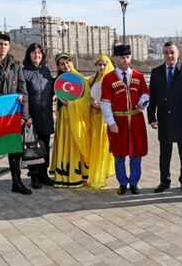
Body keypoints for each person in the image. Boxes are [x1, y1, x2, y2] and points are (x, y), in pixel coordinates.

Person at [0, 32, 32, 195]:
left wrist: (24, 116)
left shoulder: (16, 65)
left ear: (9, 46)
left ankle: (16, 182)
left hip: (13, 115)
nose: (2, 47)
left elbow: (23, 91)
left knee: (14, 149)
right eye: (0, 44)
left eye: (5, 44)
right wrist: (7, 99)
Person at [148, 42, 182, 195]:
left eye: (172, 52)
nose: (169, 55)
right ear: (162, 54)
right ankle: (165, 181)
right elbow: (153, 96)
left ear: (178, 54)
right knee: (164, 155)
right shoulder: (156, 72)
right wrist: (151, 117)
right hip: (164, 120)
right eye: (166, 52)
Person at [101, 45, 149, 195]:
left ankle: (134, 183)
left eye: (127, 57)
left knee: (137, 154)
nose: (125, 60)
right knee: (119, 154)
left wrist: (143, 101)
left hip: (136, 119)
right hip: (118, 121)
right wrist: (111, 122)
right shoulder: (108, 79)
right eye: (122, 57)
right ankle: (122, 182)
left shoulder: (138, 76)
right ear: (115, 58)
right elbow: (105, 102)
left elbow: (146, 93)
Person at [49, 53, 91, 188]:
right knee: (64, 144)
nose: (66, 65)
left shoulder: (80, 79)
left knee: (75, 145)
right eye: (62, 64)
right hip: (63, 120)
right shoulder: (59, 81)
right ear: (58, 66)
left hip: (77, 120)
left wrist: (71, 104)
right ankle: (64, 175)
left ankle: (79, 175)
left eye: (68, 62)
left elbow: (86, 100)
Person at [22, 43, 55, 189]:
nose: (37, 55)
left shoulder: (46, 71)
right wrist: (26, 115)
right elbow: (23, 95)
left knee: (45, 145)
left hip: (46, 114)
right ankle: (34, 176)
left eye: (39, 53)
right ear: (29, 55)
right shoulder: (23, 72)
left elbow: (54, 90)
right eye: (34, 53)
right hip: (32, 116)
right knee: (32, 146)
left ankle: (44, 174)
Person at [87, 54, 115, 190]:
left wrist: (100, 106)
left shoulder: (112, 80)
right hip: (94, 118)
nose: (102, 67)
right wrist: (92, 105)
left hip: (105, 119)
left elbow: (115, 101)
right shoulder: (91, 80)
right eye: (99, 64)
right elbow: (86, 96)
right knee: (94, 144)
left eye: (104, 64)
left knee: (104, 145)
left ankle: (103, 170)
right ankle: (96, 168)